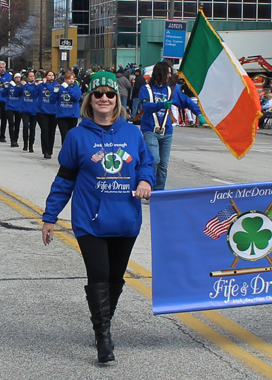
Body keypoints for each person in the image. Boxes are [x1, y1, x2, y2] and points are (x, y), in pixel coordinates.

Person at [41, 71, 155, 363]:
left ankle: (104, 322)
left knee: (115, 278)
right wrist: (50, 216)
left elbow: (146, 165)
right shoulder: (77, 136)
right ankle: (103, 335)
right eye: (98, 94)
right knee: (99, 274)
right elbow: (65, 179)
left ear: (118, 99)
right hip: (89, 221)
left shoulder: (132, 133)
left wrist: (146, 181)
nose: (104, 98)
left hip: (126, 220)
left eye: (110, 94)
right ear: (89, 100)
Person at [139, 61, 205, 191]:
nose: (170, 76)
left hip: (166, 131)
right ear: (160, 73)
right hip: (150, 129)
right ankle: (148, 186)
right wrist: (161, 105)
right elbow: (145, 107)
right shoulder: (145, 89)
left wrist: (198, 113)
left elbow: (186, 101)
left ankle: (159, 192)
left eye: (171, 73)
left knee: (163, 164)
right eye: (168, 73)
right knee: (154, 160)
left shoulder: (171, 90)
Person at [50, 71, 82, 144]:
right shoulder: (60, 88)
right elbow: (52, 101)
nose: (71, 80)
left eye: (72, 79)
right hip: (62, 115)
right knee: (64, 135)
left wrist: (67, 88)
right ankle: (65, 152)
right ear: (65, 80)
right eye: (69, 79)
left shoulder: (76, 88)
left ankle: (71, 152)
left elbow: (76, 97)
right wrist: (55, 92)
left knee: (72, 136)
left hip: (72, 115)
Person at [37, 71, 58, 159]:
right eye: (49, 75)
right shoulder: (41, 85)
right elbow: (34, 94)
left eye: (52, 75)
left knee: (51, 131)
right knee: (44, 130)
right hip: (42, 111)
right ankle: (45, 151)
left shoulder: (57, 85)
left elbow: (53, 92)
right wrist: (36, 85)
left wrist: (46, 84)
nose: (51, 77)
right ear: (45, 76)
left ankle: (50, 150)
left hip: (54, 111)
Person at [20, 71, 39, 153]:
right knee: (25, 126)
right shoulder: (23, 85)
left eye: (33, 76)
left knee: (32, 128)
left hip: (34, 110)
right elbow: (18, 93)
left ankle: (31, 145)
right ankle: (25, 144)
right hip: (25, 109)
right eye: (30, 76)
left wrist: (26, 85)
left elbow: (34, 94)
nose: (32, 78)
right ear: (27, 78)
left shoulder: (36, 86)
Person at [2, 73, 23, 147]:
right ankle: (12, 140)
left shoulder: (22, 86)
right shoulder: (10, 85)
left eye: (19, 77)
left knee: (17, 124)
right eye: (16, 77)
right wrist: (5, 87)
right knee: (11, 123)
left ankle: (15, 139)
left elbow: (20, 93)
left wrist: (18, 87)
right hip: (9, 106)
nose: (18, 79)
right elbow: (3, 94)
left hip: (18, 107)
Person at [0, 61, 12, 143]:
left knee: (4, 119)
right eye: (0, 67)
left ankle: (2, 135)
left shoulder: (8, 76)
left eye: (3, 67)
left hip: (4, 100)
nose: (2, 69)